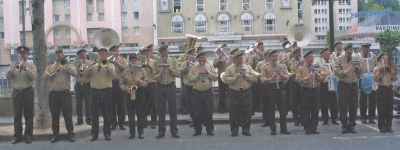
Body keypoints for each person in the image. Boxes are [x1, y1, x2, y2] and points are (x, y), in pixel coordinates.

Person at [43, 49, 76, 143]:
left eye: (60, 55)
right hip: (54, 94)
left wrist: (66, 66)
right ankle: (55, 135)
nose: (59, 57)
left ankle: (71, 134)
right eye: (57, 56)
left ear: (63, 55)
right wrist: (54, 69)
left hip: (65, 93)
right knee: (55, 116)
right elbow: (45, 77)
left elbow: (75, 73)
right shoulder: (50, 66)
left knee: (67, 115)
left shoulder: (68, 64)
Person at [222, 51, 257, 137]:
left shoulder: (248, 67)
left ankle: (245, 129)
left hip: (246, 92)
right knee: (234, 112)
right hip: (234, 92)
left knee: (247, 112)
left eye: (241, 59)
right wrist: (235, 78)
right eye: (237, 59)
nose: (239, 61)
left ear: (243, 59)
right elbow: (225, 79)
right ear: (234, 60)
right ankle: (234, 130)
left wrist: (245, 75)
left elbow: (255, 78)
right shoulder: (230, 68)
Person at [7, 46, 37, 144]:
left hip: (28, 91)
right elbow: (7, 76)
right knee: (17, 115)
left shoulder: (31, 65)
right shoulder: (12, 65)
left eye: (23, 54)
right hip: (16, 92)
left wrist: (25, 68)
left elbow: (34, 77)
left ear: (27, 55)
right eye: (20, 55)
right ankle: (17, 136)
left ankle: (28, 135)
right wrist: (14, 68)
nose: (22, 56)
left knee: (29, 114)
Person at [86, 48, 116, 141]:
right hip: (94, 91)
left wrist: (106, 65)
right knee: (94, 114)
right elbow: (86, 74)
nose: (101, 55)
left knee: (107, 113)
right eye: (100, 54)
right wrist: (92, 65)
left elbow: (114, 74)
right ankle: (94, 134)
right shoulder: (93, 65)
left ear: (106, 55)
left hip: (105, 91)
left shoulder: (110, 64)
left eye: (103, 54)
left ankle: (107, 133)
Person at [153, 45, 181, 139]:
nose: (164, 54)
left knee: (173, 110)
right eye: (162, 52)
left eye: (165, 51)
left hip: (170, 86)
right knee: (161, 110)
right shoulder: (156, 62)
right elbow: (154, 77)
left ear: (168, 51)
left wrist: (170, 69)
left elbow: (178, 74)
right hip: (160, 87)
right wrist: (160, 74)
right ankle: (161, 131)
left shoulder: (173, 61)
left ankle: (174, 131)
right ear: (160, 53)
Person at [260, 50, 290, 135]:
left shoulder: (282, 65)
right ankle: (273, 129)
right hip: (270, 87)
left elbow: (287, 77)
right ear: (269, 57)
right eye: (273, 56)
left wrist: (281, 75)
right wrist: (270, 79)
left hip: (280, 86)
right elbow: (262, 78)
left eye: (276, 56)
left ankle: (283, 128)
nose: (275, 58)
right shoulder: (265, 66)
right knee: (270, 109)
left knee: (283, 110)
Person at [188, 51, 218, 136]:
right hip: (197, 92)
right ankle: (197, 130)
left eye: (203, 57)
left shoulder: (210, 66)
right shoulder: (194, 68)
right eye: (200, 58)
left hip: (208, 92)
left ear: (206, 58)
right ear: (197, 59)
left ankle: (210, 130)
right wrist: (198, 74)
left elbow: (216, 77)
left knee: (209, 112)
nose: (202, 59)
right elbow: (190, 79)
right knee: (197, 112)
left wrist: (208, 72)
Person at [333, 43, 361, 134]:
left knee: (353, 106)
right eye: (349, 50)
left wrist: (357, 69)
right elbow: (336, 72)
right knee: (343, 106)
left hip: (353, 84)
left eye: (351, 49)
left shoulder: (356, 58)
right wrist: (346, 71)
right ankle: (344, 125)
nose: (350, 51)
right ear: (345, 50)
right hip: (343, 85)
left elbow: (361, 71)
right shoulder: (339, 59)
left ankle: (352, 125)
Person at [120, 54, 148, 139]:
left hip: (139, 92)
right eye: (132, 60)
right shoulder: (125, 72)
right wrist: (126, 89)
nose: (134, 62)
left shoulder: (142, 71)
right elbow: (121, 83)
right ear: (129, 62)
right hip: (129, 92)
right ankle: (132, 133)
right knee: (130, 114)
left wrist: (139, 81)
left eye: (135, 60)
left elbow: (146, 83)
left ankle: (140, 132)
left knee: (140, 113)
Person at [296, 51, 324, 135]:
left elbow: (322, 78)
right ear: (305, 58)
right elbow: (298, 79)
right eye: (309, 57)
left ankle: (314, 127)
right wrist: (307, 78)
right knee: (306, 110)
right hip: (306, 90)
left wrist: (317, 75)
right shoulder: (301, 68)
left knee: (315, 110)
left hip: (315, 89)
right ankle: (307, 128)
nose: (311, 59)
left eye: (312, 57)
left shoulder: (316, 67)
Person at [373, 52, 398, 133]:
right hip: (381, 89)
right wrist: (380, 72)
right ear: (380, 59)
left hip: (389, 89)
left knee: (389, 109)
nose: (385, 58)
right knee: (381, 109)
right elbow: (376, 79)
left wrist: (390, 70)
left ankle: (389, 126)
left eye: (386, 57)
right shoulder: (377, 68)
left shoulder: (390, 67)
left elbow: (394, 78)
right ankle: (382, 126)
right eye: (383, 57)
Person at [317, 48, 339, 125]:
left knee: (334, 101)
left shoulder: (333, 62)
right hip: (324, 83)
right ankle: (325, 118)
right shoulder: (319, 62)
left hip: (332, 82)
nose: (327, 55)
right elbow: (319, 71)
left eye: (328, 53)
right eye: (326, 53)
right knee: (324, 101)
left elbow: (336, 69)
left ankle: (334, 118)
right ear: (322, 54)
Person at [109, 45, 129, 131]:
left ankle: (122, 123)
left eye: (116, 50)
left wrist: (118, 64)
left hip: (120, 83)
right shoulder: (108, 60)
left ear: (118, 51)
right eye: (113, 51)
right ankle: (113, 123)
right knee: (111, 105)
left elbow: (126, 69)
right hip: (111, 83)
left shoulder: (123, 60)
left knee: (121, 104)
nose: (115, 52)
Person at [358, 43, 378, 124]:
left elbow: (377, 66)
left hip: (372, 79)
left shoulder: (374, 56)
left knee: (372, 99)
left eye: (368, 48)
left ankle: (372, 117)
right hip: (363, 79)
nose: (366, 50)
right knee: (363, 100)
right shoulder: (357, 56)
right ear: (362, 48)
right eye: (365, 48)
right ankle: (363, 117)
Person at [179, 48, 197, 127]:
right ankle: (193, 119)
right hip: (188, 86)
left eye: (194, 55)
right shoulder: (185, 63)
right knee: (190, 105)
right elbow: (179, 72)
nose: (193, 56)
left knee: (198, 105)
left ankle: (201, 120)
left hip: (197, 86)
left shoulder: (199, 62)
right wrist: (186, 66)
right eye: (191, 55)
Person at [245, 42, 265, 115]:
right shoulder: (248, 55)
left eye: (261, 47)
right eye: (259, 47)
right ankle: (252, 110)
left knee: (261, 93)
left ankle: (259, 107)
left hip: (261, 76)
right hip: (253, 76)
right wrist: (253, 62)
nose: (260, 49)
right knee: (253, 94)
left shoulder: (264, 54)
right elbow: (246, 66)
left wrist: (262, 59)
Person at [141, 47, 158, 129]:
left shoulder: (154, 62)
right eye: (144, 53)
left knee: (153, 104)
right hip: (143, 84)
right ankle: (144, 122)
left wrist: (149, 66)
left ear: (150, 53)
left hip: (152, 83)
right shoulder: (139, 62)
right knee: (143, 104)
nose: (146, 54)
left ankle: (153, 122)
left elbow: (155, 73)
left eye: (147, 52)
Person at [74, 49, 92, 126]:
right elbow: (73, 73)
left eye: (83, 54)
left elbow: (91, 73)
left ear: (86, 54)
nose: (82, 55)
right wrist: (77, 67)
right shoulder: (75, 63)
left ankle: (88, 119)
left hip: (87, 84)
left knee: (88, 103)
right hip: (78, 84)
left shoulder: (90, 63)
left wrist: (86, 68)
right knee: (78, 103)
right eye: (80, 54)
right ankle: (79, 119)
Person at [213, 45, 231, 113]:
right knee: (221, 92)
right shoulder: (218, 57)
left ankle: (231, 107)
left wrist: (228, 57)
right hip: (221, 75)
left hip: (229, 75)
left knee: (230, 92)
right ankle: (221, 108)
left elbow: (233, 64)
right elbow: (214, 65)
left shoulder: (230, 56)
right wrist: (220, 59)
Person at [256, 49, 272, 127]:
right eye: (266, 55)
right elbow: (256, 73)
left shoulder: (273, 64)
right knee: (264, 103)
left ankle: (271, 120)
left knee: (270, 103)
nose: (267, 57)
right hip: (263, 84)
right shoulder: (260, 64)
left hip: (271, 84)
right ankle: (265, 120)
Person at [287, 47, 303, 126]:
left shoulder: (303, 60)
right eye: (296, 53)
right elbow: (292, 69)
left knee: (302, 101)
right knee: (294, 102)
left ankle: (302, 118)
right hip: (293, 82)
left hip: (302, 82)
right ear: (293, 54)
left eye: (299, 53)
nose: (298, 55)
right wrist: (298, 63)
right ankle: (295, 118)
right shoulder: (290, 61)